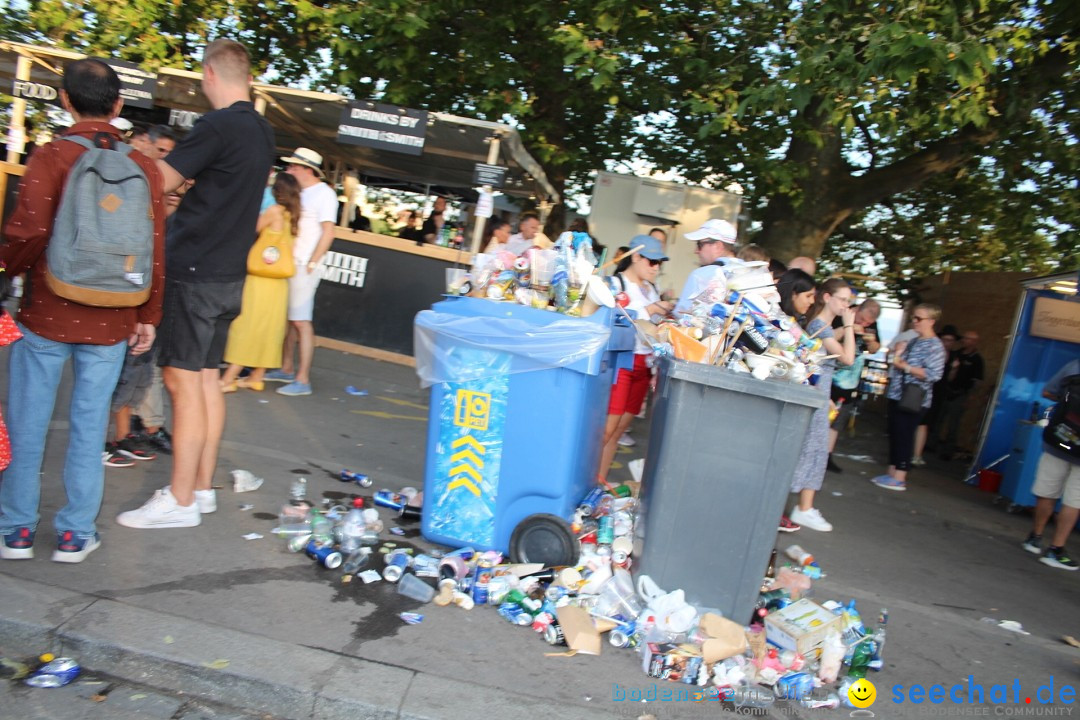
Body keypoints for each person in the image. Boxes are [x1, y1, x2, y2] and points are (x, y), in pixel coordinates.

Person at [0, 58, 166, 560]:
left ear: (65, 100)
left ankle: (17, 531)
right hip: (114, 317)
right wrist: (148, 316)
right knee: (90, 425)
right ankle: (75, 534)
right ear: (118, 106)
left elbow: (28, 234)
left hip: (47, 313)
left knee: (28, 422)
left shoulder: (50, 156)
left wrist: (9, 274)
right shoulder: (143, 168)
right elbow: (156, 248)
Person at [116, 38, 275, 530]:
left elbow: (158, 181)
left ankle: (180, 498)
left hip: (194, 269)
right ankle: (200, 489)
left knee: (181, 384)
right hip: (228, 274)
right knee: (205, 382)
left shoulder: (217, 124)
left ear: (209, 73)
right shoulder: (262, 132)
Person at [597, 236, 673, 484]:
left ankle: (600, 482)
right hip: (622, 361)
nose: (655, 267)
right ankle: (585, 482)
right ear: (636, 256)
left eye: (659, 263)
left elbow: (653, 327)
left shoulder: (650, 289)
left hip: (645, 363)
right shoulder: (616, 283)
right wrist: (650, 310)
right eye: (652, 261)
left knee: (618, 431)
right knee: (606, 431)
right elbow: (611, 318)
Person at [264, 148, 338, 397]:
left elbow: (328, 231)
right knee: (290, 320)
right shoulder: (303, 192)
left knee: (301, 322)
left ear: (307, 170)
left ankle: (302, 378)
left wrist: (312, 263)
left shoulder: (324, 194)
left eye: (293, 167)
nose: (289, 170)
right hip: (291, 263)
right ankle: (287, 368)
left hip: (304, 265)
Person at [219, 173, 301, 393]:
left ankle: (228, 378)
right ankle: (257, 376)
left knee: (246, 327)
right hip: (279, 283)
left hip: (260, 279)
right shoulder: (294, 215)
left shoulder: (274, 211)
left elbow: (250, 230)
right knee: (268, 331)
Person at [785, 277, 856, 532]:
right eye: (844, 300)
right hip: (818, 388)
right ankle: (803, 507)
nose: (847, 305)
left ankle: (804, 505)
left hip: (820, 389)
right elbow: (848, 358)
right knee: (813, 447)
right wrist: (849, 327)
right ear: (828, 298)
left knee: (815, 447)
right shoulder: (820, 324)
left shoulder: (819, 324)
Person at [871, 304, 947, 492]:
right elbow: (898, 362)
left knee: (905, 434)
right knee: (896, 432)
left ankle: (901, 474)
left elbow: (934, 374)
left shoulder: (935, 347)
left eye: (919, 319)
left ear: (931, 321)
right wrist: (898, 354)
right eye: (914, 317)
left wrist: (906, 367)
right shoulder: (914, 340)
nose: (915, 321)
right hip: (898, 393)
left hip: (914, 398)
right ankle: (892, 471)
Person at [1021, 359, 1080, 570]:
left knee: (1047, 491)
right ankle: (1056, 549)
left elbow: (1046, 392)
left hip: (1058, 440)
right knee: (1074, 501)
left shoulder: (1073, 366)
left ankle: (1035, 537)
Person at [827, 299, 881, 473]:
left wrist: (871, 342)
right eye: (862, 319)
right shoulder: (842, 314)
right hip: (831, 373)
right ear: (857, 309)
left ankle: (827, 455)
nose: (864, 324)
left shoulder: (871, 325)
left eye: (868, 323)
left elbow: (875, 348)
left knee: (838, 418)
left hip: (850, 379)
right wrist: (848, 329)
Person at [911, 325, 958, 465]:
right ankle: (911, 451)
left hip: (939, 392)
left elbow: (949, 378)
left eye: (950, 340)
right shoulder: (933, 350)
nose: (947, 343)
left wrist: (954, 369)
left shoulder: (954, 356)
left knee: (925, 422)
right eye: (945, 339)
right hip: (923, 388)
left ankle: (917, 454)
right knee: (915, 420)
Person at [673, 218, 739, 313]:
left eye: (699, 244)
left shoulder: (701, 274)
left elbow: (680, 313)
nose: (696, 251)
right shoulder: (751, 272)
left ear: (718, 246)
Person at [938, 330, 984, 460]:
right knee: (938, 419)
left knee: (954, 423)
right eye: (964, 338)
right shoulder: (956, 354)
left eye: (969, 339)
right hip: (946, 390)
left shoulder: (976, 359)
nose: (965, 341)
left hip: (961, 394)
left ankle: (948, 451)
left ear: (975, 342)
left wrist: (970, 397)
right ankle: (931, 444)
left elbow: (977, 381)